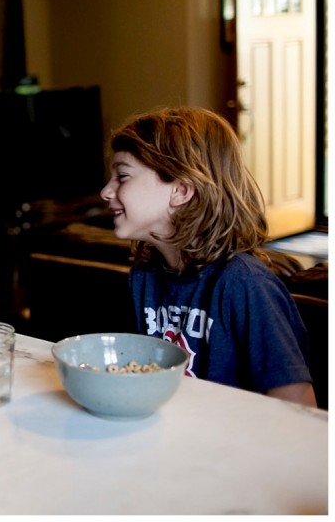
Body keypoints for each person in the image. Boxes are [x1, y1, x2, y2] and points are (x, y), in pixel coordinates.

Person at [99, 106, 315, 407]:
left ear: (181, 190)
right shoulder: (144, 276)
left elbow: (299, 409)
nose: (105, 191)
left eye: (122, 176)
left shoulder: (245, 285)